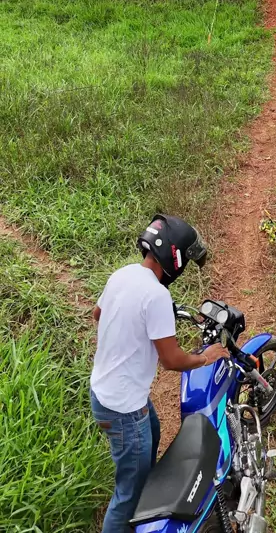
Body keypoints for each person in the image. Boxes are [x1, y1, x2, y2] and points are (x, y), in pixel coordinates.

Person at [90, 214, 228, 533]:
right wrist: (204, 358)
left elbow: (98, 314)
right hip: (124, 410)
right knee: (127, 495)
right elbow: (172, 360)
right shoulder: (156, 296)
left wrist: (135, 326)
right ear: (175, 258)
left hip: (104, 392)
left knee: (152, 430)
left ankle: (143, 499)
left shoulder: (123, 274)